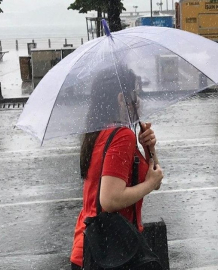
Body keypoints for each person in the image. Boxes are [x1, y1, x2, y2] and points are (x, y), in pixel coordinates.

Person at [70, 67, 164, 270]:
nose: (138, 100)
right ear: (122, 98)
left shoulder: (97, 132)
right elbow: (110, 199)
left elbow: (154, 178)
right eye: (136, 94)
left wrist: (150, 150)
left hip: (91, 247)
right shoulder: (121, 136)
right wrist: (150, 184)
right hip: (114, 251)